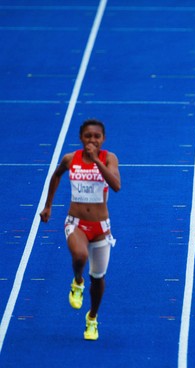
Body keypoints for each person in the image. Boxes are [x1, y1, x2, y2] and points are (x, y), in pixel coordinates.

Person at [40, 119, 121, 341]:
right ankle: (77, 281)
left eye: (96, 136)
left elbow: (116, 186)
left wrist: (96, 161)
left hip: (101, 227)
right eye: (88, 136)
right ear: (81, 138)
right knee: (79, 255)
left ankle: (92, 318)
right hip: (75, 222)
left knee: (98, 277)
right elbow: (56, 175)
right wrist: (48, 205)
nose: (92, 140)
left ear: (103, 139)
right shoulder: (70, 159)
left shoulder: (108, 158)